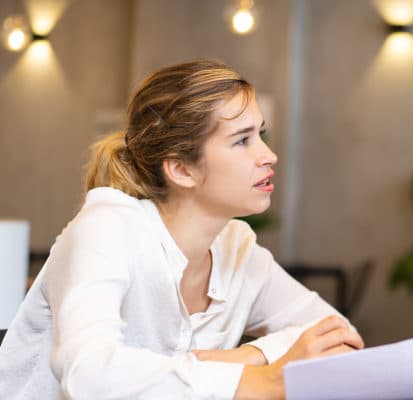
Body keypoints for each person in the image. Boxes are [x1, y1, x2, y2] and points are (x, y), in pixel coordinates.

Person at [0, 59, 363, 399]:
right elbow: (89, 374)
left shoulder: (238, 250)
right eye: (242, 140)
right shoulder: (107, 228)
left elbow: (341, 338)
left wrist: (244, 357)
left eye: (260, 134)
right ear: (181, 169)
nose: (268, 156)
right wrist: (259, 379)